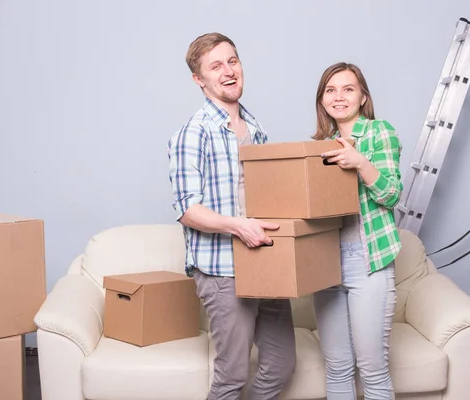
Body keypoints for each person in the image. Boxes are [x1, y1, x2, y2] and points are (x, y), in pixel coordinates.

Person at [167, 32, 296, 400]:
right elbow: (187, 209)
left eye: (233, 61)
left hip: (265, 262)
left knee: (281, 362)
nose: (228, 71)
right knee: (232, 375)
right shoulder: (193, 133)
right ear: (199, 79)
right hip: (222, 271)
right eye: (216, 65)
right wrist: (238, 227)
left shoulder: (257, 130)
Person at [312, 62, 403, 400]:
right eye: (331, 90)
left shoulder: (380, 132)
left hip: (368, 260)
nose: (339, 97)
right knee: (337, 368)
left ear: (363, 96)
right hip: (324, 266)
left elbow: (392, 195)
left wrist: (360, 162)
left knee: (373, 371)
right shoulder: (320, 146)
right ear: (322, 100)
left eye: (348, 89)